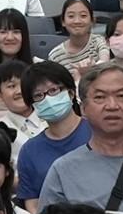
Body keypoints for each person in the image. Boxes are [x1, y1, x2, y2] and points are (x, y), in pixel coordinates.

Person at [38, 62, 123, 214]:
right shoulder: (63, 170)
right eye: (100, 97)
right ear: (83, 109)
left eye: (121, 96)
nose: (112, 105)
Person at [14, 61, 91, 205]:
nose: (47, 99)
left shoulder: (99, 133)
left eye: (53, 90)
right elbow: (32, 202)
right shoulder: (29, 151)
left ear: (71, 93)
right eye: (38, 96)